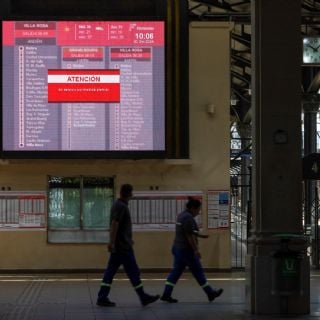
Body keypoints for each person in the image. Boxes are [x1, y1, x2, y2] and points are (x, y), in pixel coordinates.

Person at [97, 183, 160, 307]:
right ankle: (143, 297)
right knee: (133, 272)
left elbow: (116, 225)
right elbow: (115, 224)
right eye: (131, 193)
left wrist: (115, 242)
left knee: (110, 272)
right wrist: (112, 242)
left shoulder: (117, 205)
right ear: (129, 193)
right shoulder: (121, 207)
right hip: (123, 248)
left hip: (120, 246)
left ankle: (102, 297)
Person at [161, 198, 223, 303]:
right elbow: (189, 236)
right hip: (186, 251)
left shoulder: (182, 215)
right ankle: (210, 293)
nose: (199, 212)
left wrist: (202, 236)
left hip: (177, 248)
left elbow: (191, 232)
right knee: (198, 272)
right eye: (198, 209)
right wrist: (196, 250)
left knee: (175, 273)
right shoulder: (188, 218)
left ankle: (166, 294)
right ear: (193, 208)